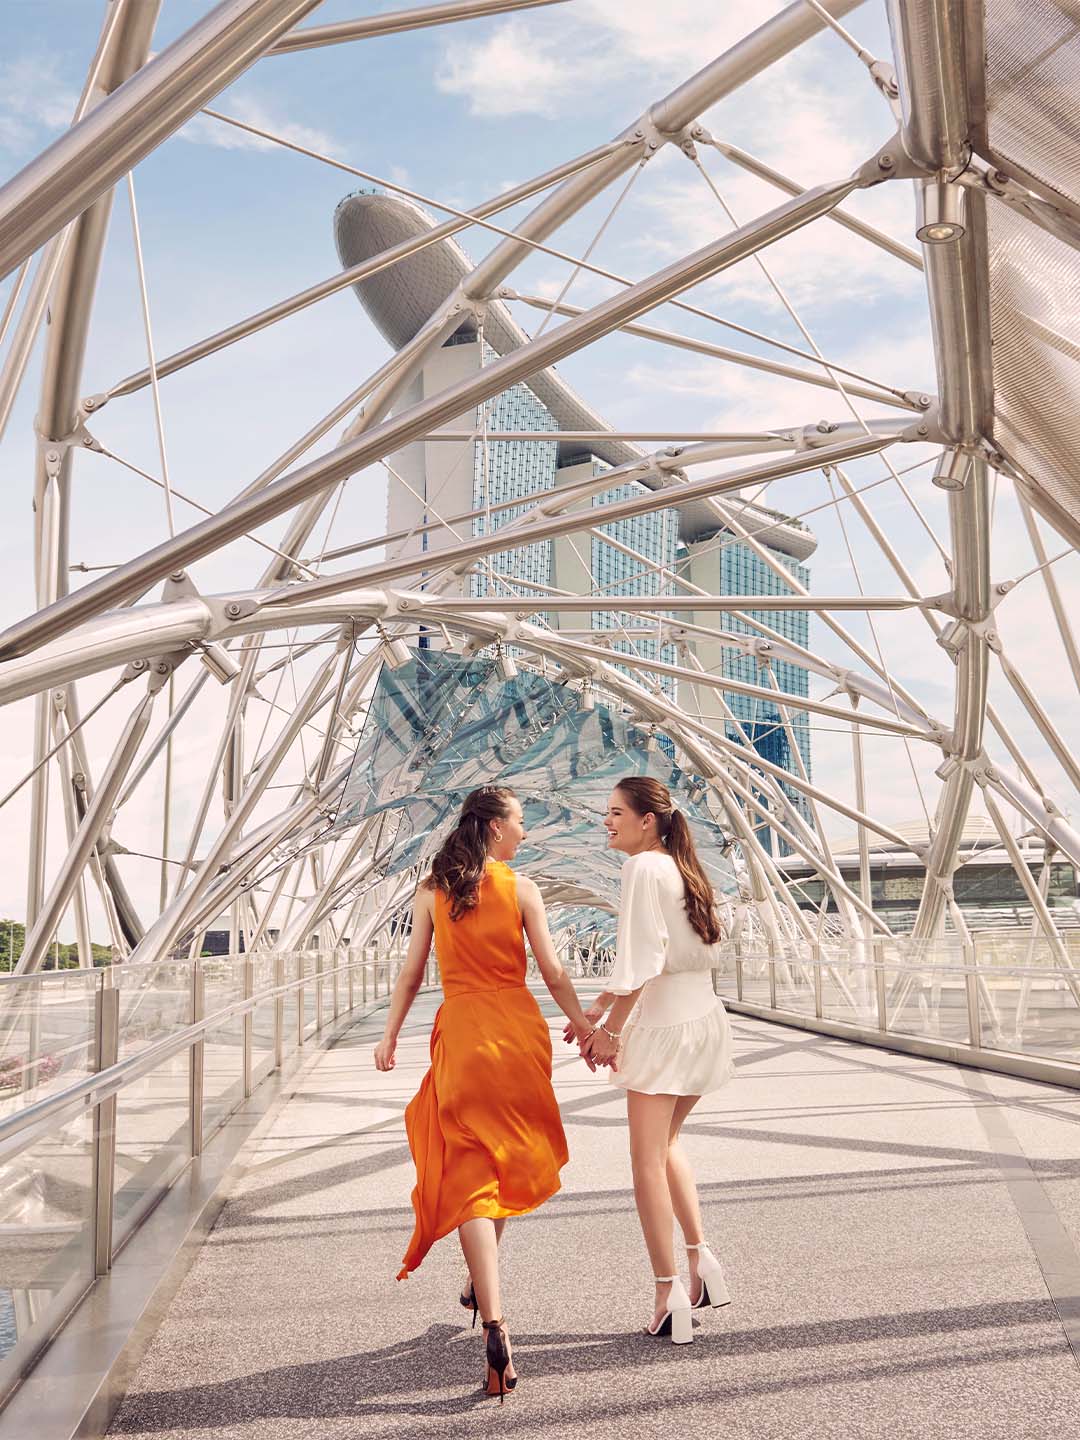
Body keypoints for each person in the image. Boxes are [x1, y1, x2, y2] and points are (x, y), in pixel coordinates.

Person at [374, 785, 596, 1399]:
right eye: (520, 822)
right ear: (496, 829)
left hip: (465, 1034)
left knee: (474, 1170)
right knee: (506, 1159)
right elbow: (551, 971)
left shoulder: (432, 891)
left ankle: (493, 1320)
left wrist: (390, 1035)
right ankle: (483, 1286)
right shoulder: (522, 889)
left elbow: (413, 972)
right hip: (518, 1034)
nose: (525, 832)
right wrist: (581, 1024)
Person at [574, 777, 735, 1345]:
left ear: (647, 820)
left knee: (644, 1160)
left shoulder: (641, 868)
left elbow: (643, 960)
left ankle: (669, 1293)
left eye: (615, 812)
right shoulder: (684, 868)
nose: (606, 821)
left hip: (664, 1028)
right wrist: (596, 1010)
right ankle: (701, 1260)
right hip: (703, 1020)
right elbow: (659, 957)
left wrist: (610, 1033)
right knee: (667, 1146)